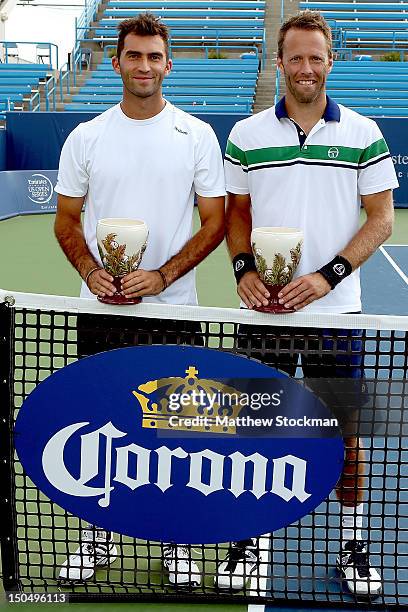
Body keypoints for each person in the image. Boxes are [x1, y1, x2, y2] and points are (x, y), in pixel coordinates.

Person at [221, 10, 398, 598]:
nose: (305, 67)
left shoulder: (363, 133)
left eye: (315, 57)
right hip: (263, 315)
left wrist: (328, 277)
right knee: (255, 432)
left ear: (330, 60)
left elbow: (380, 220)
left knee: (345, 434)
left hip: (336, 313)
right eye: (294, 57)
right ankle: (247, 540)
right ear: (279, 62)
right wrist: (245, 272)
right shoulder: (245, 136)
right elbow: (237, 214)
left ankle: (353, 546)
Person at [54, 13, 225, 586]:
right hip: (99, 310)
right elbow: (67, 221)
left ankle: (177, 543)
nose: (145, 66)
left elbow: (215, 222)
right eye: (134, 56)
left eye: (155, 56)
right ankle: (96, 536)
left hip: (175, 312)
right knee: (102, 424)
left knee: (178, 432)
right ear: (117, 61)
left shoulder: (197, 135)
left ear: (168, 64)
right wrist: (91, 271)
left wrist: (162, 276)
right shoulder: (86, 137)